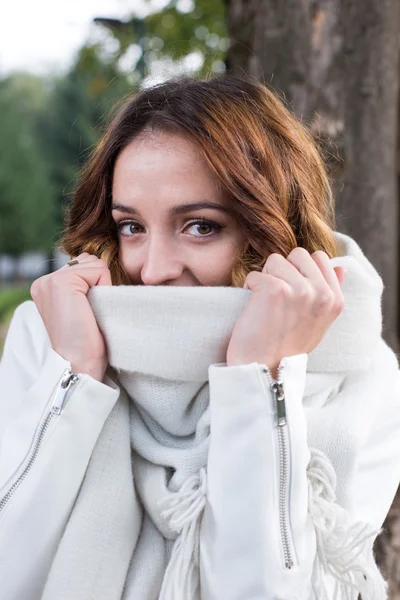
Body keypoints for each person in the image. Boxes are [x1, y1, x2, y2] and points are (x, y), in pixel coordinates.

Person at [0, 74, 399, 600]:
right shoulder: (54, 333)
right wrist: (74, 378)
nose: (152, 270)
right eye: (131, 227)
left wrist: (262, 380)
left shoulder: (357, 370)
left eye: (200, 226)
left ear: (272, 228)